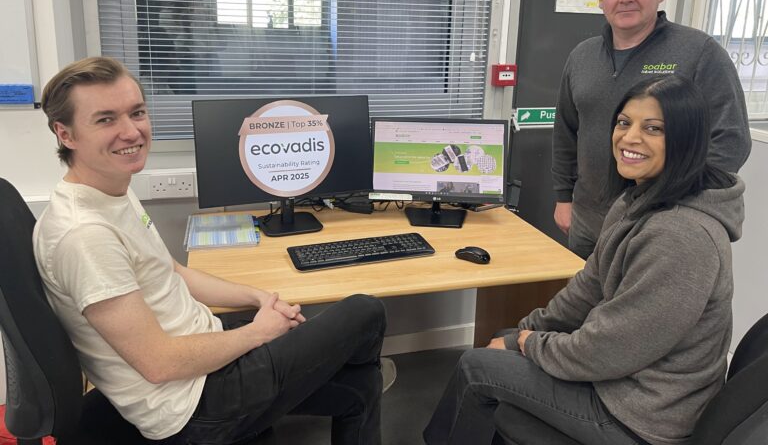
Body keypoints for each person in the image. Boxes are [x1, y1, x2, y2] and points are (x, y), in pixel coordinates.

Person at [33, 56, 387, 444]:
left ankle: (326, 383)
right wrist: (259, 332)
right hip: (191, 408)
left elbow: (172, 271)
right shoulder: (85, 235)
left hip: (203, 354)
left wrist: (259, 297)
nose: (131, 131)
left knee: (360, 388)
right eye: (105, 119)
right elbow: (159, 363)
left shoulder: (112, 190)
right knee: (366, 312)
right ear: (65, 134)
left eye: (137, 113)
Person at [424, 75, 744, 445]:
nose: (630, 138)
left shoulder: (681, 236)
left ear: (688, 139)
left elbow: (611, 349)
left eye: (653, 128)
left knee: (476, 366)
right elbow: (586, 290)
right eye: (624, 123)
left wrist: (528, 343)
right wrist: (520, 333)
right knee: (500, 342)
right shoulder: (635, 202)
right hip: (622, 381)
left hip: (644, 416)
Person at [552, 0, 750, 260]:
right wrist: (564, 197)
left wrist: (678, 205)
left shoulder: (700, 53)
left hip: (658, 225)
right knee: (581, 292)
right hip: (587, 220)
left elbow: (731, 140)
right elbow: (566, 132)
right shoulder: (582, 57)